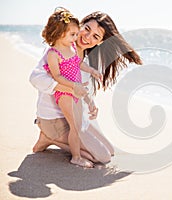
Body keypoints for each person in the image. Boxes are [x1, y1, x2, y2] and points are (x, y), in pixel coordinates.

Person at [30, 8, 142, 168]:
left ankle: (57, 138)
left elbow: (81, 92)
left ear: (100, 42)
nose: (87, 37)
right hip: (53, 119)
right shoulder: (59, 49)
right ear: (80, 25)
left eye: (95, 36)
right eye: (86, 29)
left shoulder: (86, 61)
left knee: (109, 151)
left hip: (72, 118)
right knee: (100, 157)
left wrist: (91, 105)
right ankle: (48, 136)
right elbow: (35, 77)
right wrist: (69, 89)